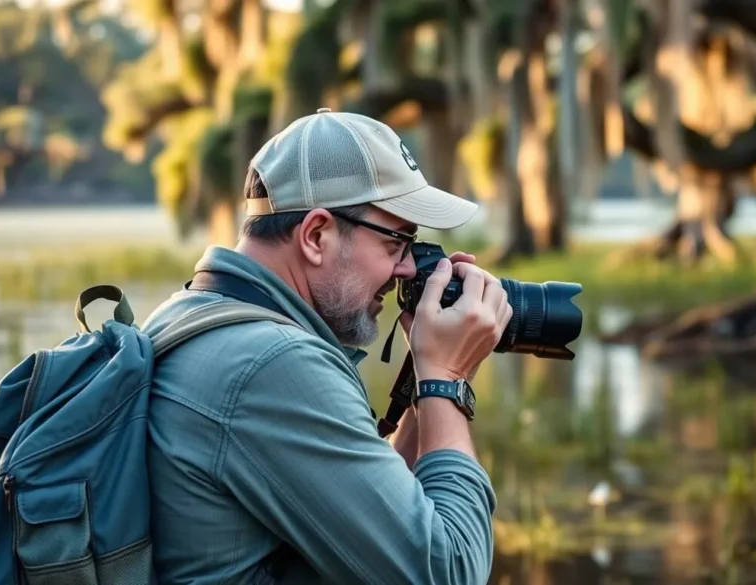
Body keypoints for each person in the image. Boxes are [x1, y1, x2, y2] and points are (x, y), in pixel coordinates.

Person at [141, 108, 512, 584]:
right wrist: (448, 382)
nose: (407, 269)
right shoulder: (272, 365)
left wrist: (426, 380)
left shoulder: (192, 314)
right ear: (316, 235)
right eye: (397, 241)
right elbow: (448, 572)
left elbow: (374, 518)